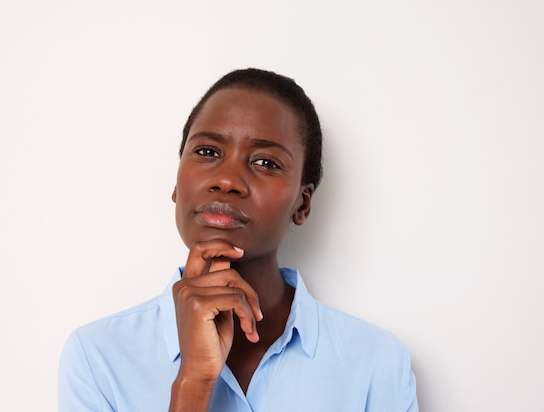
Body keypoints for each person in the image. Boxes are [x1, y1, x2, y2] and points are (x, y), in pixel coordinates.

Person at [58, 68, 419, 411]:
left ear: (302, 203)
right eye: (207, 152)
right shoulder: (98, 357)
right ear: (176, 181)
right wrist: (193, 383)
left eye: (265, 163)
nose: (227, 179)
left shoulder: (376, 363)